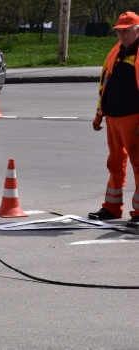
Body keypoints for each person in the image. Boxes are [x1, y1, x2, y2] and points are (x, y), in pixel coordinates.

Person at [90, 11, 139, 228]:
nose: (121, 35)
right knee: (115, 162)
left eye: (125, 31)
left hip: (133, 117)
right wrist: (100, 112)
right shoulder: (116, 51)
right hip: (114, 117)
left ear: (137, 29)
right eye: (119, 31)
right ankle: (112, 207)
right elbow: (105, 81)